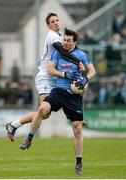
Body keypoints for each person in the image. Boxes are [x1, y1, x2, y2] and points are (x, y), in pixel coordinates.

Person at [19, 28, 96, 175]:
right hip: (59, 91)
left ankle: (79, 163)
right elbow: (49, 69)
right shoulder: (58, 53)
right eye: (64, 40)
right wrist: (65, 74)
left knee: (77, 129)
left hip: (74, 96)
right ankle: (29, 139)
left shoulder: (81, 55)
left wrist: (86, 78)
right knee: (42, 109)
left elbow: (92, 71)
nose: (65, 42)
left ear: (75, 42)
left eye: (68, 40)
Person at [5, 12, 86, 142]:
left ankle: (77, 117)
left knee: (50, 108)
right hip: (45, 76)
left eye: (57, 20)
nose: (56, 23)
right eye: (52, 21)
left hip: (54, 76)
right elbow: (62, 51)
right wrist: (78, 62)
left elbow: (71, 48)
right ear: (48, 25)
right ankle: (14, 125)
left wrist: (80, 57)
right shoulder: (52, 36)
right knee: (44, 111)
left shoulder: (60, 36)